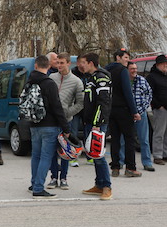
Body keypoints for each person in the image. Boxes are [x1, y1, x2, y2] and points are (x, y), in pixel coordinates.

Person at [27, 55, 71, 198]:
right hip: (49, 125)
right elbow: (57, 107)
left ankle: (34, 183)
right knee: (46, 157)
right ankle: (38, 188)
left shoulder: (29, 82)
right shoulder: (49, 83)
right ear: (49, 66)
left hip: (34, 124)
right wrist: (65, 127)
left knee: (36, 155)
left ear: (35, 66)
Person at [77, 53, 113, 200]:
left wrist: (97, 124)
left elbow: (103, 103)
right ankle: (99, 184)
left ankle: (107, 187)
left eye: (83, 63)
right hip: (89, 123)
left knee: (98, 154)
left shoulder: (101, 78)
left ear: (91, 63)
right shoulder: (91, 78)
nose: (81, 65)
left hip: (97, 124)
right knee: (93, 154)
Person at [48, 53, 84, 189]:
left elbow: (80, 103)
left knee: (65, 150)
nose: (59, 65)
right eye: (57, 63)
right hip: (51, 120)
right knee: (52, 150)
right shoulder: (51, 78)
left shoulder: (76, 81)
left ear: (68, 63)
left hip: (66, 121)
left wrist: (68, 112)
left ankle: (63, 178)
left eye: (62, 63)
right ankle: (53, 177)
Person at [104, 50, 142, 177]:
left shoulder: (106, 70)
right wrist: (134, 111)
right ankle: (130, 167)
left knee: (115, 139)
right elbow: (127, 92)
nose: (127, 60)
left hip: (111, 109)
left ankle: (115, 167)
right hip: (124, 109)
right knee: (129, 139)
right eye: (125, 57)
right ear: (118, 57)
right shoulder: (122, 71)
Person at [123, 62, 154, 171]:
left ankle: (147, 162)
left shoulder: (142, 80)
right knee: (123, 139)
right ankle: (121, 161)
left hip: (141, 113)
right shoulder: (123, 80)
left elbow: (149, 93)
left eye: (135, 68)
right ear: (127, 70)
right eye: (132, 68)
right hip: (126, 114)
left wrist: (143, 107)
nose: (134, 70)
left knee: (144, 139)